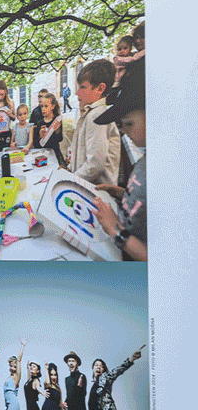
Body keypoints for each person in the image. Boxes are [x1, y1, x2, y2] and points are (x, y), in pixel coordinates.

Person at [92, 60, 147, 262]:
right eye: (121, 124)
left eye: (129, 123)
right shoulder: (145, 159)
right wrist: (121, 193)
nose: (123, 131)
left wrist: (116, 230)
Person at [63, 58, 120, 187]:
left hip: (96, 192)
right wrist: (71, 167)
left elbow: (95, 164)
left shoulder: (97, 115)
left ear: (100, 88)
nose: (77, 93)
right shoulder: (91, 113)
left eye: (82, 87)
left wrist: (71, 180)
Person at [30, 90, 64, 155]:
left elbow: (60, 139)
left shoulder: (57, 120)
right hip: (43, 155)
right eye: (42, 106)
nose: (43, 109)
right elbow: (37, 144)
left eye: (46, 106)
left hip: (55, 154)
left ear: (52, 106)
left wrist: (57, 130)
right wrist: (41, 136)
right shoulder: (40, 123)